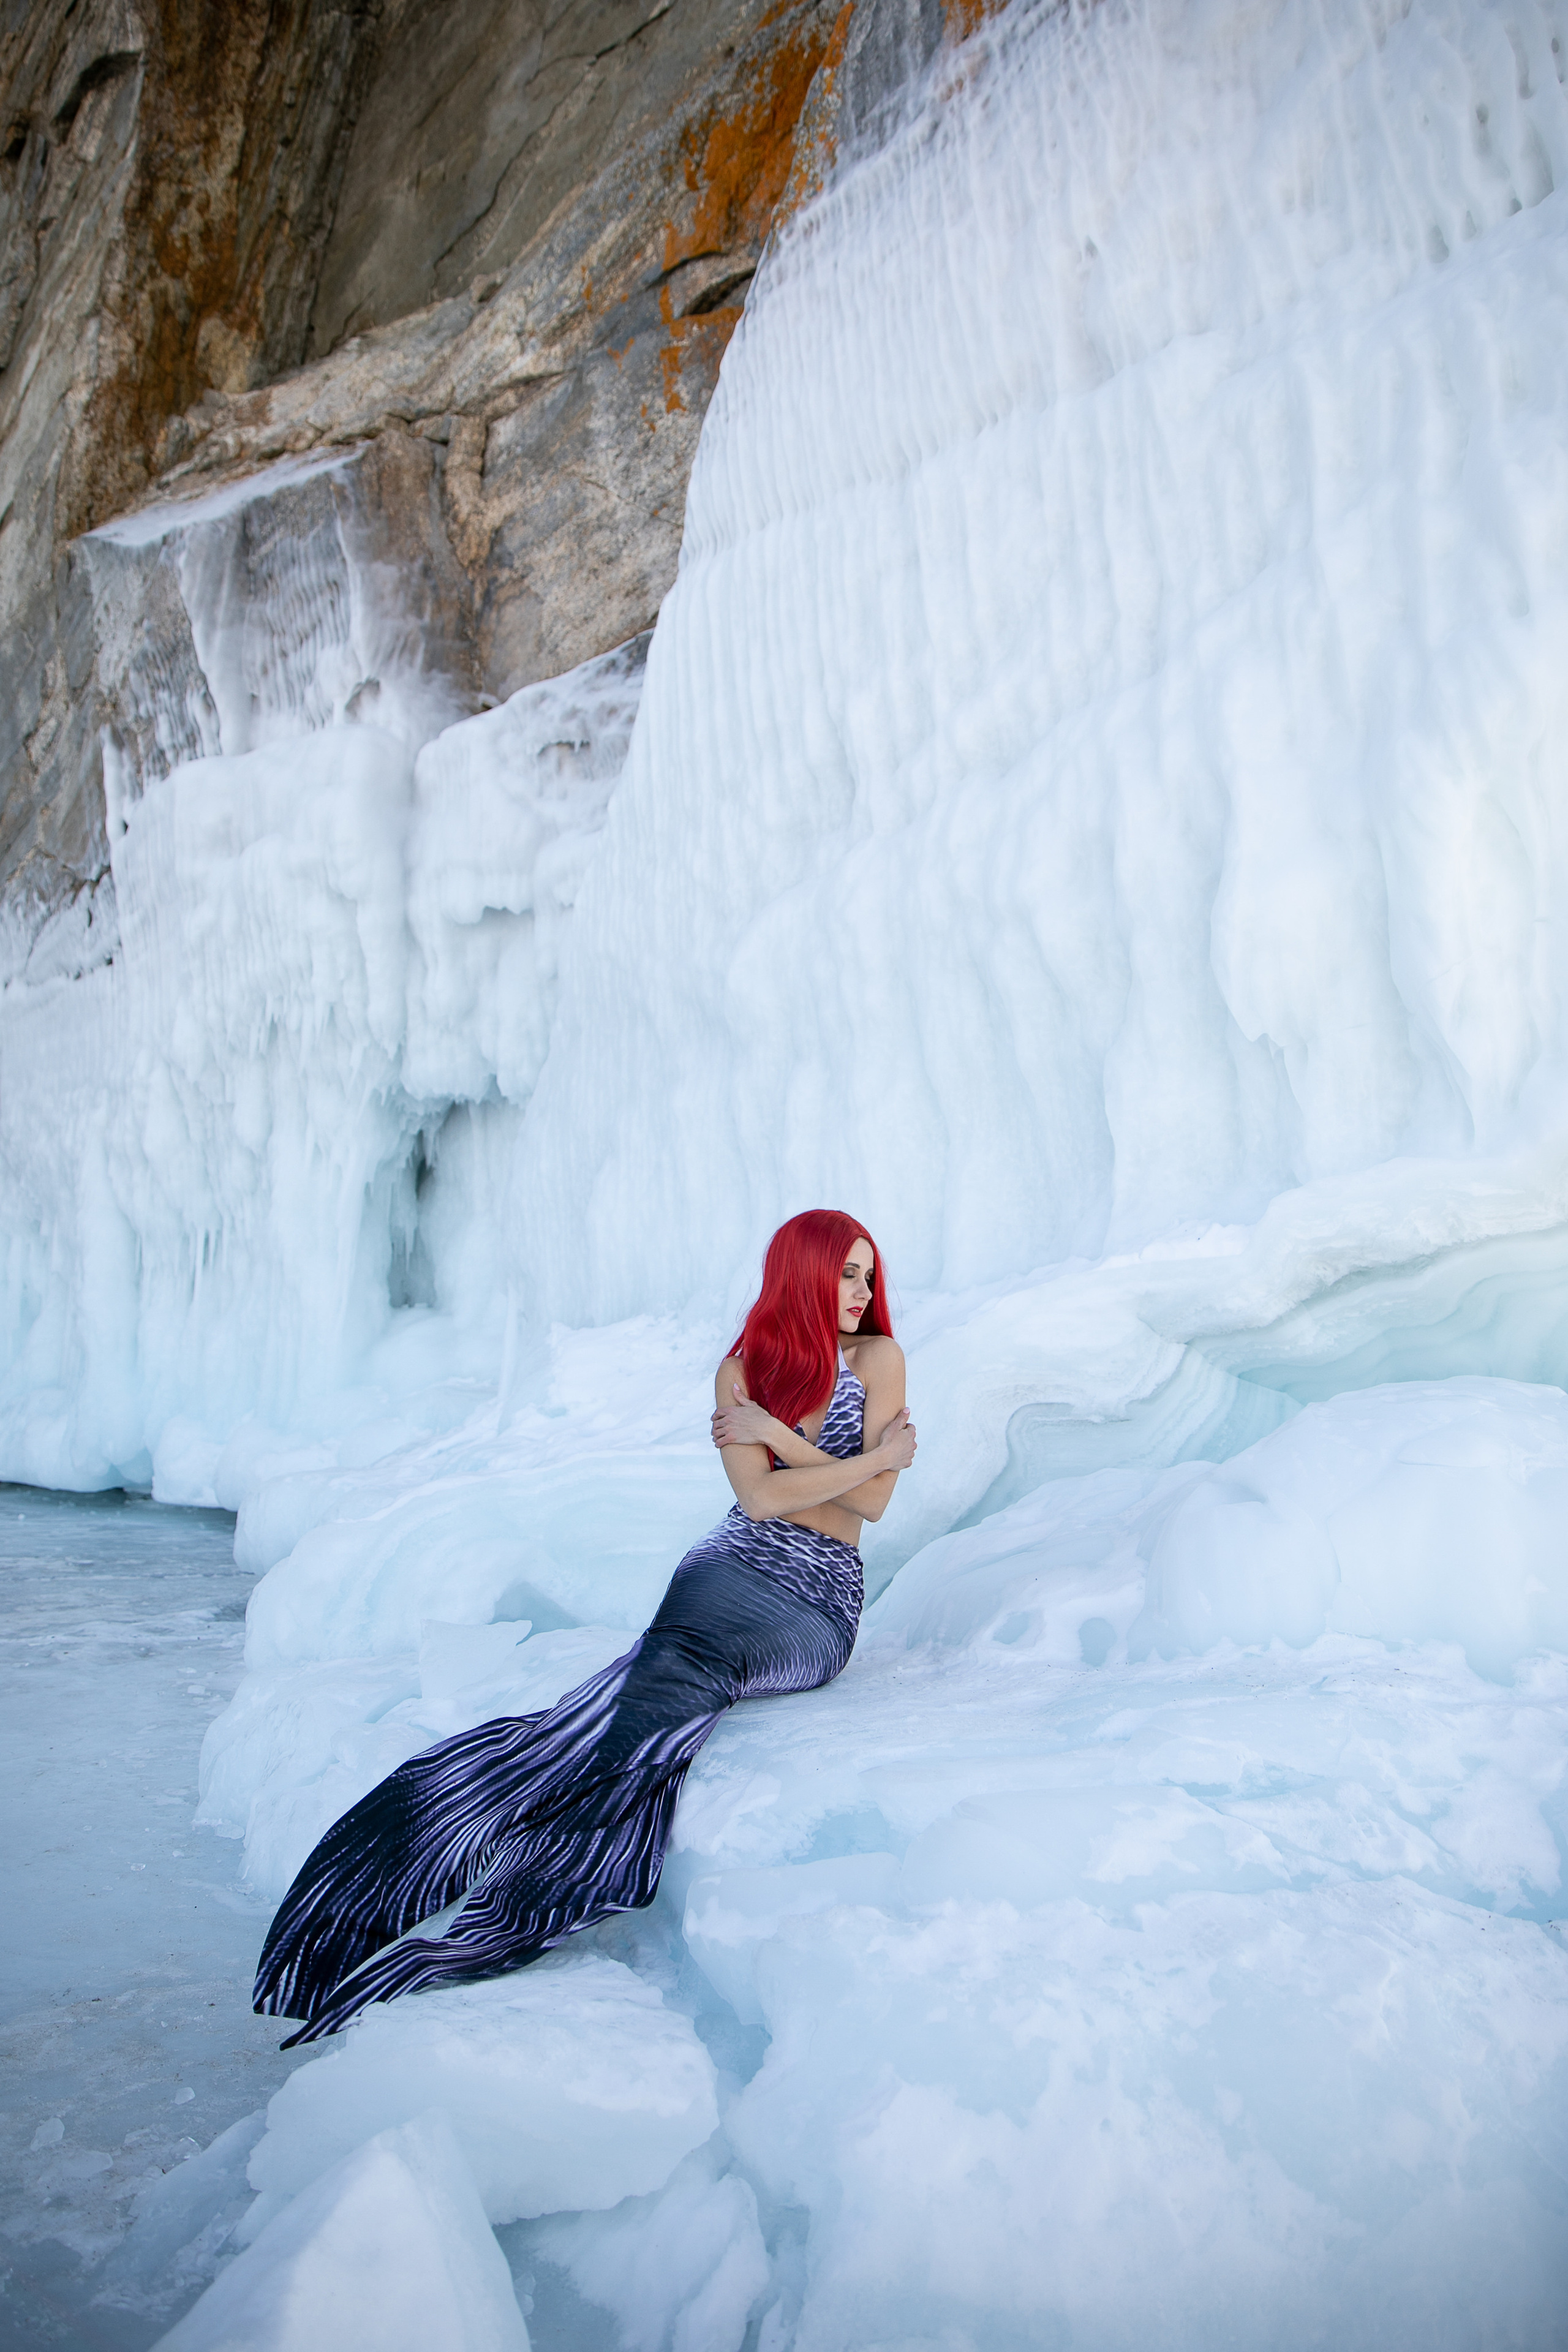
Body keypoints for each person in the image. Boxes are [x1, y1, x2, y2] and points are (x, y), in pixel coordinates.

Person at [253, 1208, 916, 2044]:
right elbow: (759, 1500)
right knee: (643, 1688)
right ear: (802, 1273)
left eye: (867, 1275)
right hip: (723, 1566)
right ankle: (471, 1842)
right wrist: (862, 1459)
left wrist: (782, 1439)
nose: (861, 1291)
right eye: (845, 1273)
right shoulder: (740, 1370)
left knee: (656, 1705)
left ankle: (515, 1885)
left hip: (815, 1603)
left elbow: (874, 1505)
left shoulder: (878, 1360)